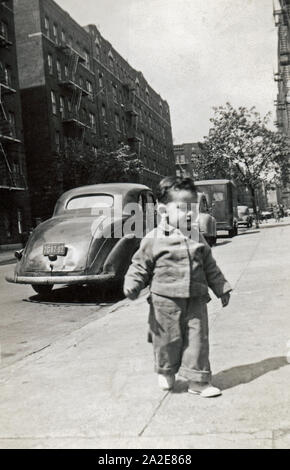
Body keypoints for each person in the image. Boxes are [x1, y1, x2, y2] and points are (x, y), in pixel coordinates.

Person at [123, 176, 232, 398]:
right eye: (182, 208)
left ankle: (198, 381)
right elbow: (139, 264)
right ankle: (166, 369)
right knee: (167, 340)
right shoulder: (153, 238)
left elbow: (209, 265)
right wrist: (132, 284)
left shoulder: (197, 236)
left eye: (193, 207)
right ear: (163, 211)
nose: (190, 213)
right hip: (164, 302)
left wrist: (222, 288)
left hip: (196, 299)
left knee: (197, 340)